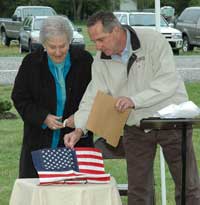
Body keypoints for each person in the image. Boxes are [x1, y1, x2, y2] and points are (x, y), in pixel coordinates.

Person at [63, 11, 200, 204]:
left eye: (101, 39)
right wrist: (79, 129)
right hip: (135, 126)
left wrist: (134, 100)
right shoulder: (101, 59)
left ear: (117, 30)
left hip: (172, 120)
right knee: (139, 191)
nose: (98, 46)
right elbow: (93, 95)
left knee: (188, 185)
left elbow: (167, 81)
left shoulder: (152, 40)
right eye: (95, 41)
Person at [11, 15, 93, 178]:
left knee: (74, 196)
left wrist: (80, 118)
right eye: (51, 47)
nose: (57, 52)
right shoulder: (31, 63)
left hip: (76, 141)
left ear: (70, 41)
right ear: (43, 44)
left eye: (62, 46)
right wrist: (43, 117)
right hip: (38, 142)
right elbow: (19, 97)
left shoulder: (85, 61)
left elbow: (95, 97)